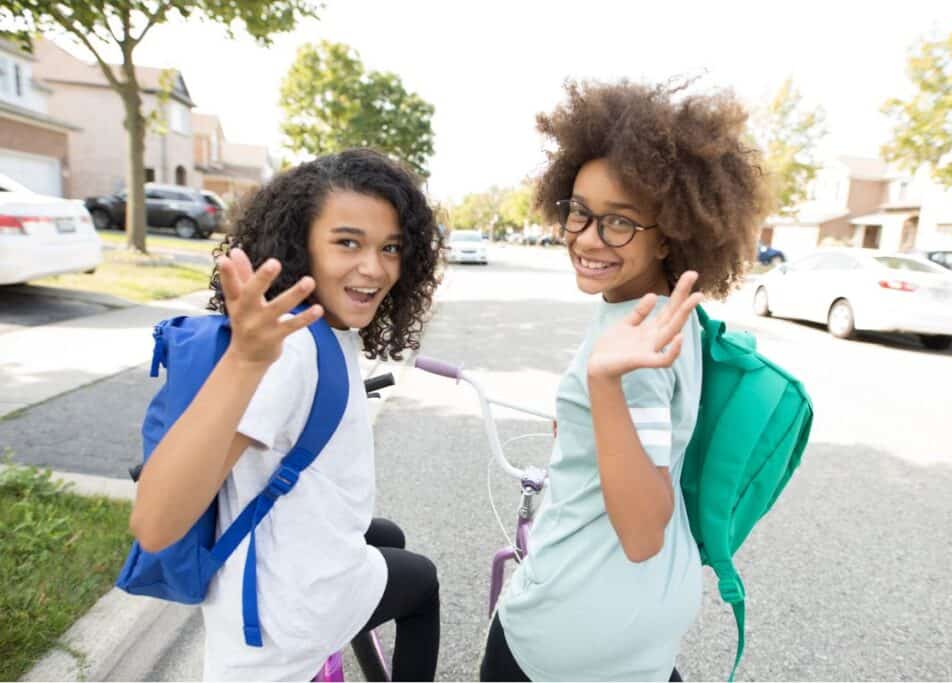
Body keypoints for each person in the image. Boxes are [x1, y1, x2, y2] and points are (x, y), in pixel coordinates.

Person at [480, 79, 772, 681]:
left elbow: (642, 530)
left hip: (571, 626)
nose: (587, 237)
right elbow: (649, 445)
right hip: (641, 623)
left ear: (668, 231)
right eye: (579, 212)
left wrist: (604, 386)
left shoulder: (634, 337)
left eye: (618, 223)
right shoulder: (669, 314)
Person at [129, 149, 444, 681]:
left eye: (390, 247)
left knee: (384, 534)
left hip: (278, 580)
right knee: (423, 584)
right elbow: (155, 525)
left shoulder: (319, 323)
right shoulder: (290, 350)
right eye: (348, 242)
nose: (375, 268)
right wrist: (248, 362)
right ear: (300, 247)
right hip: (285, 619)